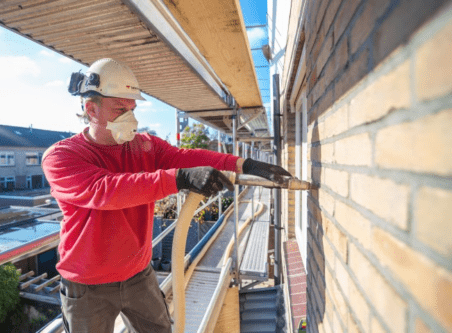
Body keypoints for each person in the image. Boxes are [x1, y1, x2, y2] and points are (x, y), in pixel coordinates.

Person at [42, 58, 292, 333]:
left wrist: (244, 164)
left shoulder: (143, 146)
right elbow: (105, 190)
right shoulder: (61, 157)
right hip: (87, 285)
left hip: (139, 274)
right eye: (120, 108)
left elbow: (184, 157)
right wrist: (180, 178)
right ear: (91, 109)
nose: (130, 117)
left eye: (132, 108)